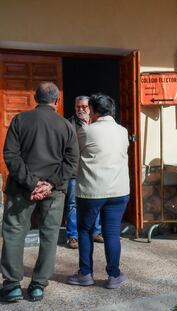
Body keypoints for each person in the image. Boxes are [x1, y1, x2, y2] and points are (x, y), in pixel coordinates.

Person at [0, 82, 79, 302]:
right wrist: (49, 184)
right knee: (49, 234)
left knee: (14, 233)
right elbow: (71, 161)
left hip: (21, 189)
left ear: (36, 98)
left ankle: (12, 285)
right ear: (57, 101)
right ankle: (38, 286)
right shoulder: (66, 126)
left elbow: (11, 156)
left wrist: (31, 183)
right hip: (54, 191)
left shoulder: (20, 120)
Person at [67, 94, 130, 289]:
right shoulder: (122, 131)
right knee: (111, 232)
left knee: (84, 231)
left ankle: (85, 274)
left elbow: (74, 153)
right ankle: (114, 275)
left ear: (93, 111)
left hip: (92, 191)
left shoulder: (85, 131)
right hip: (119, 191)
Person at [66, 96, 103, 249]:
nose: (80, 110)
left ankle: (96, 232)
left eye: (84, 107)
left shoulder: (99, 123)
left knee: (96, 201)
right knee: (73, 204)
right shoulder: (68, 124)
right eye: (77, 107)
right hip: (75, 171)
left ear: (90, 108)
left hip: (95, 171)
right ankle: (73, 236)